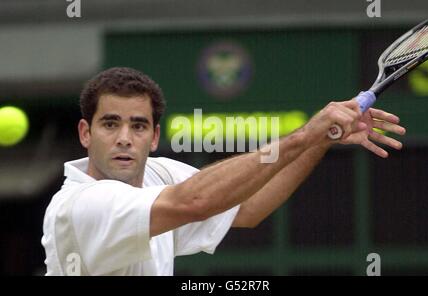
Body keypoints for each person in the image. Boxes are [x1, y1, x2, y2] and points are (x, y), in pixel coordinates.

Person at [41, 67, 406, 276]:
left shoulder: (159, 175)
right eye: (110, 124)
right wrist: (303, 135)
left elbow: (249, 209)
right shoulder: (79, 207)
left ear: (154, 137)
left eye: (137, 126)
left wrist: (320, 140)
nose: (124, 138)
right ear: (85, 134)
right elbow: (195, 201)